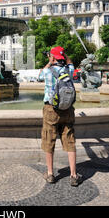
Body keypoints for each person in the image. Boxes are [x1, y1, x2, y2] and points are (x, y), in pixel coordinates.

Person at [37, 46, 82, 186]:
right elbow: (70, 62)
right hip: (68, 109)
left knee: (49, 139)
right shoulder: (69, 70)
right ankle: (73, 175)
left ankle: (50, 174)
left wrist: (49, 62)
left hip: (51, 109)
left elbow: (38, 77)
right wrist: (62, 55)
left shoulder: (47, 71)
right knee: (70, 140)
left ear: (53, 57)